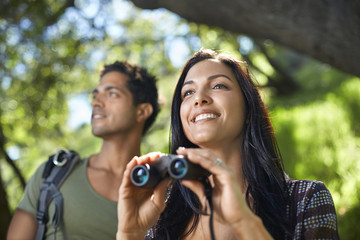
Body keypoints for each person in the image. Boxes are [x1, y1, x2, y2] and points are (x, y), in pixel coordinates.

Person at [116, 49, 339, 240]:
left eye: (219, 86)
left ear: (248, 109)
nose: (199, 98)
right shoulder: (160, 218)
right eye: (189, 92)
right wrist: (129, 234)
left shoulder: (306, 200)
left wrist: (245, 223)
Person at [7, 61, 160, 240]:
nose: (96, 102)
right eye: (95, 95)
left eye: (112, 94)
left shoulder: (160, 193)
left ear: (142, 111)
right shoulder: (52, 175)